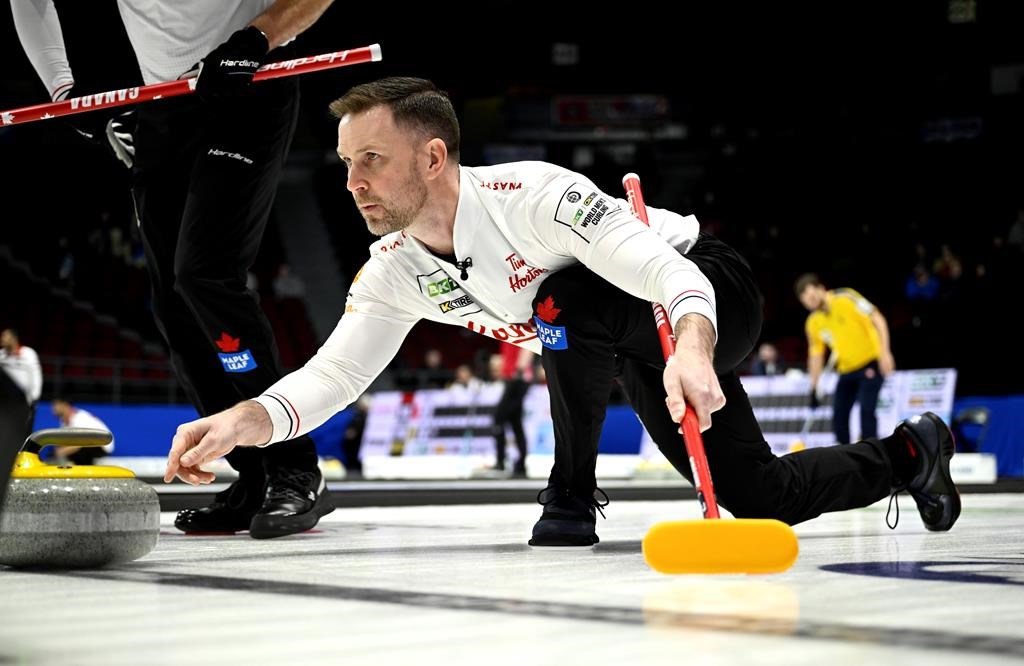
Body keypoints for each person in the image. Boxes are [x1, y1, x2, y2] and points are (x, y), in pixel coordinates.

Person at [163, 77, 961, 548]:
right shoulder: (393, 270)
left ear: (433, 156)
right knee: (758, 498)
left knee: (562, 300)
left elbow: (660, 268)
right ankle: (908, 454)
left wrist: (691, 341)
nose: (353, 183)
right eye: (345, 165)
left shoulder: (535, 196)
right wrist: (246, 421)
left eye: (370, 159)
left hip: (704, 293)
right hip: (628, 341)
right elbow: (335, 374)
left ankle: (571, 495)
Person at [12, 0, 338, 539]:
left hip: (247, 83)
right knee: (171, 301)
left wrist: (256, 38)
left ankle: (294, 467)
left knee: (205, 276)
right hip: (165, 105)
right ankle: (253, 473)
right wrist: (64, 92)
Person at [795, 274, 895, 445]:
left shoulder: (845, 297)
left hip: (870, 364)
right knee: (839, 417)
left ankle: (872, 457)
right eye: (807, 302)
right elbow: (815, 355)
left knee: (866, 412)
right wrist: (814, 387)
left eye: (812, 297)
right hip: (846, 370)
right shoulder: (813, 322)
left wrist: (885, 353)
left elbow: (877, 318)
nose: (811, 303)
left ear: (821, 288)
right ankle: (846, 458)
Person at [489, 345, 531, 477]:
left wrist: (519, 370)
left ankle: (501, 461)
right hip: (513, 377)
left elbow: (528, 345)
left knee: (498, 418)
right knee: (515, 421)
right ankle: (520, 464)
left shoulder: (520, 325)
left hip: (517, 378)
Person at [0, 329, 42, 444]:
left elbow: (36, 375)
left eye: (5, 336)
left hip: (25, 402)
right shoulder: (1, 356)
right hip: (5, 403)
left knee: (22, 433)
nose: (2, 339)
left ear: (13, 338)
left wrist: (34, 397)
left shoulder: (28, 354)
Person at [50, 399, 115, 465]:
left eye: (56, 404)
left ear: (65, 405)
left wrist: (61, 452)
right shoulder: (63, 421)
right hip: (87, 445)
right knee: (53, 452)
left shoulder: (80, 418)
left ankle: (84, 474)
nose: (53, 407)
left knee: (80, 451)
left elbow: (81, 443)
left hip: (102, 446)